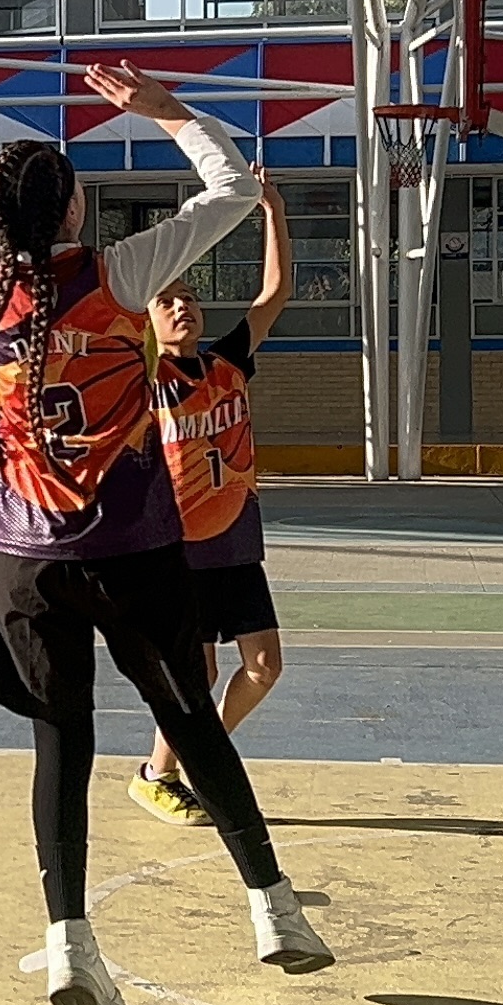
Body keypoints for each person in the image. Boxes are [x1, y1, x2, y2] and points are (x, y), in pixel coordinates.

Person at [0, 62, 329, 1005]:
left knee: (62, 746)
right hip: (131, 549)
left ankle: (70, 948)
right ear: (74, 208)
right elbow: (232, 191)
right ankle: (275, 910)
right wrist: (168, 113)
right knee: (192, 722)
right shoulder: (120, 273)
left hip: (25, 561)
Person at [133, 189, 295, 827]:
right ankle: (157, 774)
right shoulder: (143, 381)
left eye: (190, 298)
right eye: (167, 301)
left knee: (265, 667)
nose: (183, 307)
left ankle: (200, 750)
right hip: (177, 552)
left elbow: (274, 295)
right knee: (194, 676)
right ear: (146, 322)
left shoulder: (228, 363)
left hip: (235, 545)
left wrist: (273, 214)